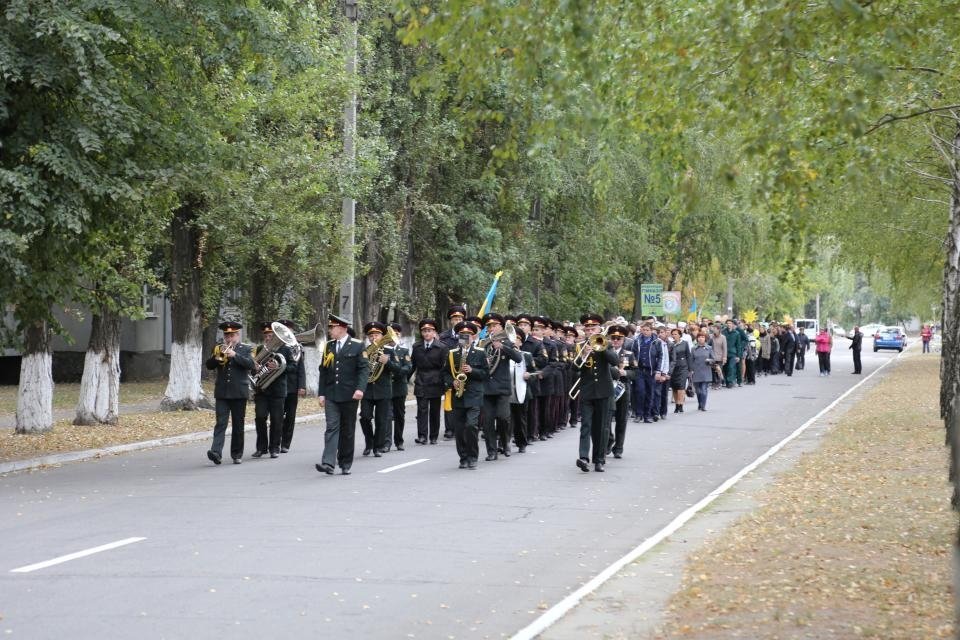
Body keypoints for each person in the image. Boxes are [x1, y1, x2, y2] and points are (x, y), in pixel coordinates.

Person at [315, 314, 368, 476]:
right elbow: (323, 371)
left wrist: (360, 389)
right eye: (330, 327)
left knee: (347, 429)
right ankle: (328, 463)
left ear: (343, 329)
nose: (330, 331)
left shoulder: (358, 346)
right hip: (331, 394)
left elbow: (363, 369)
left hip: (350, 395)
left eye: (333, 328)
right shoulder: (328, 346)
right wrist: (322, 393)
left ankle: (345, 463)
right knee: (331, 427)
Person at [573, 313, 619, 472]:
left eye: (593, 328)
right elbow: (574, 367)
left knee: (601, 427)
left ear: (599, 329)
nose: (590, 331)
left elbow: (615, 361)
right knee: (585, 425)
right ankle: (583, 457)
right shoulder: (579, 346)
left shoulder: (606, 344)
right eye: (588, 329)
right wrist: (585, 354)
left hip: (604, 391)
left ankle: (599, 459)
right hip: (587, 391)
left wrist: (601, 347)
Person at [205, 321, 254, 465]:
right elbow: (209, 365)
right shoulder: (218, 348)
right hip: (222, 393)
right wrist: (217, 356)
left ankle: (237, 453)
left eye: (232, 335)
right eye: (227, 335)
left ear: (238, 335)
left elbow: (251, 365)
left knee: (238, 425)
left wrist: (234, 355)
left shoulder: (246, 349)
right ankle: (216, 452)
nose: (229, 338)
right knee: (221, 423)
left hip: (239, 392)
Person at [443, 321, 489, 469]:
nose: (465, 338)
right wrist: (452, 383)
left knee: (471, 426)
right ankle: (463, 457)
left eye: (468, 335)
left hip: (474, 396)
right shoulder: (452, 354)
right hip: (458, 395)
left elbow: (485, 374)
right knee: (460, 429)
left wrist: (472, 370)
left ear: (473, 336)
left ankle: (473, 456)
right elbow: (445, 374)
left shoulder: (480, 353)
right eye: (462, 335)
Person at [480, 313, 522, 460]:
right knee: (488, 421)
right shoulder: (483, 343)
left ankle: (505, 442)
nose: (492, 328)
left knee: (503, 417)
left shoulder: (508, 342)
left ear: (501, 326)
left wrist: (503, 347)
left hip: (502, 388)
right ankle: (491, 451)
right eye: (489, 326)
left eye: (495, 325)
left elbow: (518, 358)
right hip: (486, 388)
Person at [252, 322, 296, 459]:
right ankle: (261, 448)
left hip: (278, 391)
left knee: (277, 420)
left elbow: (293, 367)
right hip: (261, 390)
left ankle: (274, 448)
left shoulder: (285, 349)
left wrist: (278, 366)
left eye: (271, 335)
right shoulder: (259, 349)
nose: (268, 337)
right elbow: (252, 367)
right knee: (260, 417)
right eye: (266, 335)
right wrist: (256, 367)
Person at [359, 321, 401, 457]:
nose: (373, 338)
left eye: (377, 335)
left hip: (383, 390)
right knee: (364, 417)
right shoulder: (364, 351)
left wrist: (387, 362)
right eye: (371, 336)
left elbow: (398, 369)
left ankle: (378, 447)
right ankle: (369, 442)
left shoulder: (389, 351)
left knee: (381, 420)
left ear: (382, 336)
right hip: (367, 390)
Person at [410, 319, 449, 445]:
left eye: (429, 331)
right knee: (421, 410)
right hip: (421, 380)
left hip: (436, 381)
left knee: (434, 411)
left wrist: (446, 383)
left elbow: (445, 367)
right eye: (424, 331)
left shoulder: (442, 347)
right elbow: (413, 365)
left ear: (434, 332)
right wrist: (404, 379)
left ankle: (433, 436)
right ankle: (422, 436)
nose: (427, 333)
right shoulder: (416, 347)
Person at [607, 325, 637, 459]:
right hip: (607, 388)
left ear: (623, 339)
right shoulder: (605, 352)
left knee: (621, 419)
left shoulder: (629, 354)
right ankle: (608, 441)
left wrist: (625, 372)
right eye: (613, 338)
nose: (615, 341)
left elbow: (636, 372)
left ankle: (618, 447)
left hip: (622, 388)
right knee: (606, 419)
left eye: (618, 338)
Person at [438, 305, 467, 439]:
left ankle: (461, 426)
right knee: (449, 401)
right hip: (448, 371)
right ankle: (449, 428)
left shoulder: (465, 336)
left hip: (462, 371)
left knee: (462, 399)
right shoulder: (443, 336)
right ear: (451, 321)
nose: (458, 321)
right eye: (455, 319)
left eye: (460, 318)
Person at [279, 319, 306, 454]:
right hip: (277, 385)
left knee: (290, 416)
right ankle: (275, 441)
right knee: (277, 415)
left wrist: (302, 385)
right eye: (284, 329)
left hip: (292, 385)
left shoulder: (297, 347)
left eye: (288, 329)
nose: (286, 331)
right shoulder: (275, 345)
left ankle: (285, 443)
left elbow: (301, 367)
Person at [509, 328, 534, 453]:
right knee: (505, 418)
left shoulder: (526, 356)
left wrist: (529, 375)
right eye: (512, 338)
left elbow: (534, 373)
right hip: (506, 392)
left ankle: (521, 443)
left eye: (517, 339)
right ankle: (504, 443)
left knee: (520, 419)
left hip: (522, 391)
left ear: (521, 342)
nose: (514, 341)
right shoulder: (503, 355)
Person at [388, 322, 412, 451]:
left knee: (399, 416)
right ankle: (386, 442)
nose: (393, 337)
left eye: (396, 334)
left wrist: (396, 370)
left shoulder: (404, 351)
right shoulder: (382, 351)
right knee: (386, 416)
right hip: (385, 387)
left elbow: (408, 367)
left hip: (399, 387)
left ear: (399, 335)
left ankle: (399, 441)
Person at [689, 332, 714, 411]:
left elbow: (714, 359)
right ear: (697, 339)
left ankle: (703, 406)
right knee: (698, 391)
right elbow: (691, 360)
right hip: (696, 371)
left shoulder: (709, 348)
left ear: (705, 338)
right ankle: (700, 403)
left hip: (706, 371)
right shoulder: (693, 348)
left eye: (702, 337)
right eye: (699, 337)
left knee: (704, 390)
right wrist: (691, 370)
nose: (701, 338)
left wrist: (709, 360)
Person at [669, 327, 691, 412]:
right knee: (674, 386)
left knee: (681, 386)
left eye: (676, 334)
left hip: (683, 367)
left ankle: (680, 404)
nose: (674, 336)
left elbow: (688, 356)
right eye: (673, 334)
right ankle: (676, 404)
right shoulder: (671, 344)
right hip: (673, 367)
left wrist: (690, 368)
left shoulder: (684, 343)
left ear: (680, 335)